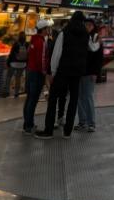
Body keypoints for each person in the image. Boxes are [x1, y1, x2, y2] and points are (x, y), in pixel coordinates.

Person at [36, 11, 89, 139]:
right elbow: (88, 51)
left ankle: (48, 131)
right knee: (73, 101)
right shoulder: (85, 35)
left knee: (53, 99)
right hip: (77, 73)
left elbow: (57, 54)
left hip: (63, 72)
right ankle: (67, 132)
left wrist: (52, 72)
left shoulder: (64, 33)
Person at [23, 19, 51, 134]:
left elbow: (30, 56)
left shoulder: (33, 40)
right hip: (37, 74)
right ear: (43, 29)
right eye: (47, 28)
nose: (48, 30)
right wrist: (45, 73)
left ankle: (27, 124)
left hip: (30, 72)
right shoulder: (41, 42)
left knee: (29, 99)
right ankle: (29, 126)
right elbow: (42, 60)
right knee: (33, 100)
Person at [76, 18, 102, 132]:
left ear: (92, 26)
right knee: (79, 98)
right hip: (79, 72)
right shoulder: (81, 37)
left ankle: (91, 123)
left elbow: (99, 58)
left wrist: (96, 72)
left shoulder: (96, 38)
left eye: (89, 25)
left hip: (89, 72)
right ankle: (82, 121)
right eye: (85, 25)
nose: (87, 27)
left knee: (88, 97)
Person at [5, 34, 28, 98]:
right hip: (23, 64)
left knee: (9, 76)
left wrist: (8, 63)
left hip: (14, 63)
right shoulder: (27, 44)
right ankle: (16, 92)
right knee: (18, 78)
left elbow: (11, 54)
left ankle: (7, 91)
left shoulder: (16, 44)